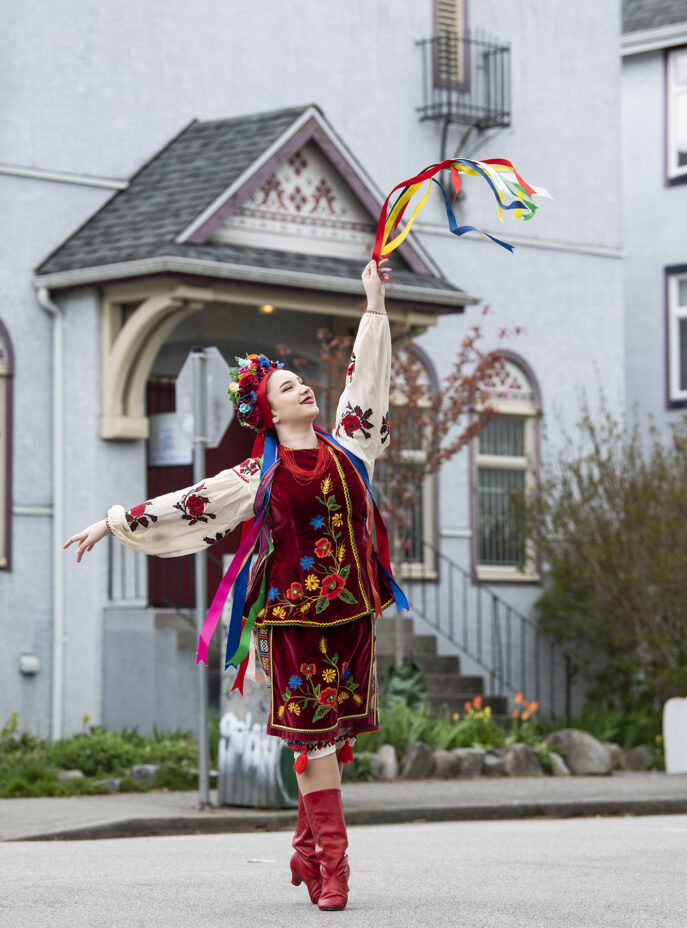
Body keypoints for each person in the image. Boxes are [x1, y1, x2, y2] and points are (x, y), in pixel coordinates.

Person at [64, 257, 405, 911]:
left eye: (303, 381)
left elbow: (369, 382)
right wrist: (113, 522)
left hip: (352, 617)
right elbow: (190, 504)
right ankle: (334, 868)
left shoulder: (351, 447)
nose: (304, 389)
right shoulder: (257, 474)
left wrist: (374, 304)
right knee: (313, 743)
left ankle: (306, 851)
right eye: (287, 387)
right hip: (294, 625)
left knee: (333, 739)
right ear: (266, 411)